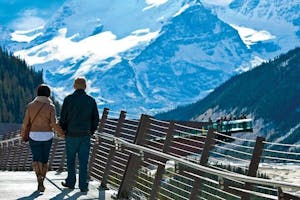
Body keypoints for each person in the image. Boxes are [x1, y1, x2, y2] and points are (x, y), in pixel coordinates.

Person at [21, 84, 65, 192]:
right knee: (45, 159)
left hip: (34, 135)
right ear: (48, 94)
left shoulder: (30, 106)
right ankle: (43, 179)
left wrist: (23, 135)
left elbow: (26, 123)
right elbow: (53, 124)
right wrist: (62, 134)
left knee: (36, 158)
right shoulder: (51, 107)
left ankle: (38, 178)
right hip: (47, 136)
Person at [59, 77, 99, 192]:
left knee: (71, 160)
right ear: (85, 86)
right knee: (83, 161)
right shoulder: (91, 100)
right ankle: (83, 186)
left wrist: (65, 130)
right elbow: (95, 119)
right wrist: (91, 131)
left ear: (74, 86)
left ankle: (70, 183)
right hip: (85, 135)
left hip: (71, 135)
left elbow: (63, 118)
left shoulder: (68, 99)